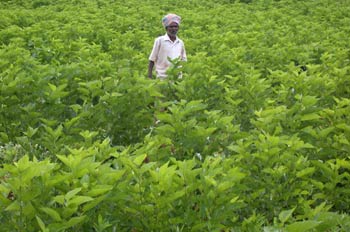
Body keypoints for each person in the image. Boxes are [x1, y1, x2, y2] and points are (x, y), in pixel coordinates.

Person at [148, 13, 187, 79]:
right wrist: (149, 75)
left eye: (175, 26)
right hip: (162, 77)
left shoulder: (180, 43)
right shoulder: (160, 40)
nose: (173, 29)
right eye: (171, 27)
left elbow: (183, 60)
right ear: (166, 28)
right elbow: (152, 59)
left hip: (177, 77)